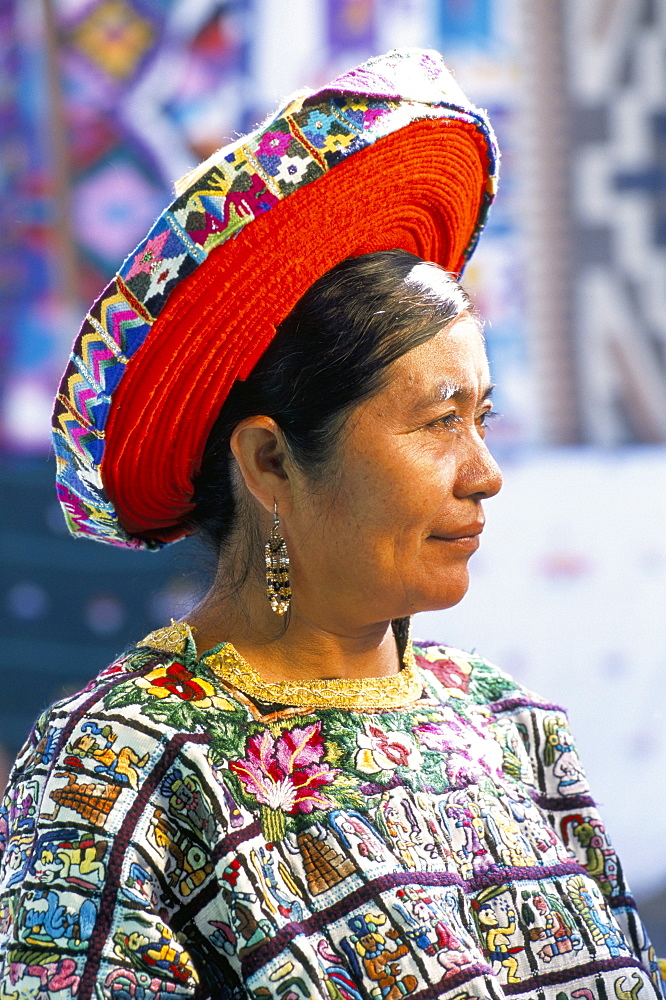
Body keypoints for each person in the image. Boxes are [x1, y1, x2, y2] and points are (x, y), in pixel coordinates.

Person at [0, 48, 662, 1000]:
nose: (487, 475)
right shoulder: (118, 769)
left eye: (484, 418)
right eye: (439, 422)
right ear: (270, 462)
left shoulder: (513, 731)